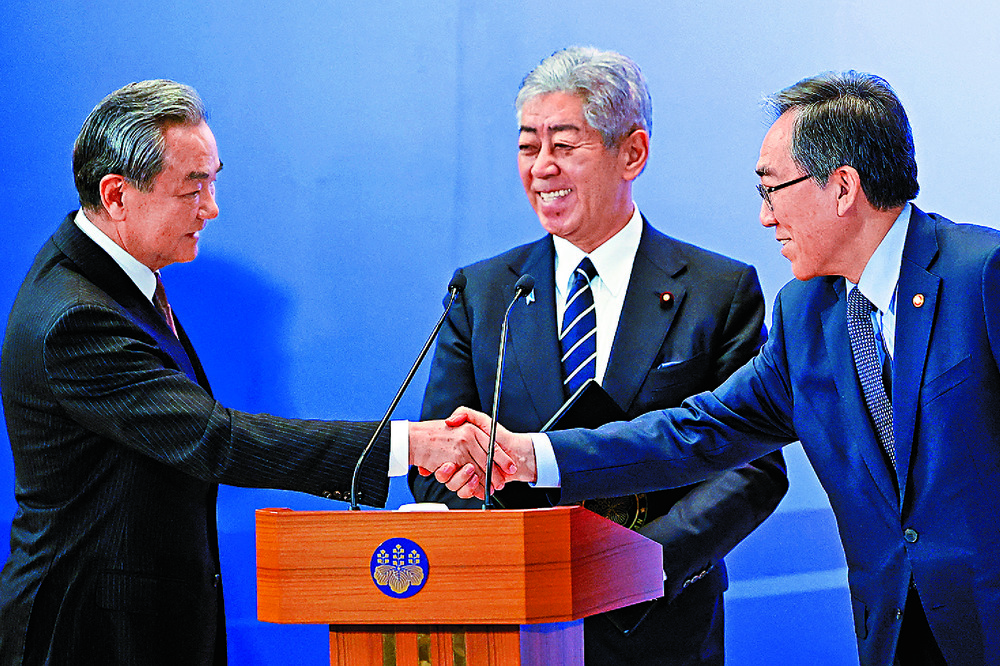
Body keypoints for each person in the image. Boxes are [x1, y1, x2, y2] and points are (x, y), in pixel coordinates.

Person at [445, 70, 1000, 666]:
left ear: (842, 188)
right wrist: (531, 455)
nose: (765, 217)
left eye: (772, 190)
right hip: (896, 635)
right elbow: (697, 431)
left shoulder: (981, 274)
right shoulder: (806, 315)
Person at [0, 79, 514, 665]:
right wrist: (409, 446)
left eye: (214, 180)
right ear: (117, 195)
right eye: (193, 188)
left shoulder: (116, 280)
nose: (212, 208)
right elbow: (215, 440)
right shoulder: (79, 318)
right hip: (89, 635)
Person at [410, 47, 787, 665]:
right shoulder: (482, 294)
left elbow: (753, 467)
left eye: (564, 144)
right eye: (528, 146)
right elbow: (436, 465)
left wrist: (630, 570)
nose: (541, 168)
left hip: (661, 624)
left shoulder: (719, 291)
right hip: (516, 626)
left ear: (631, 152)